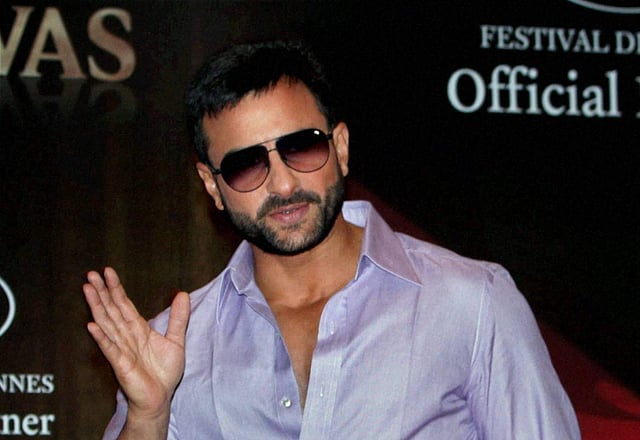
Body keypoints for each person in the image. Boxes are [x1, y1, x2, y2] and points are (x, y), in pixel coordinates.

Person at [83, 39, 581, 439]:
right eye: (246, 165)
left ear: (340, 147)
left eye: (302, 147)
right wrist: (148, 417)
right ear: (212, 186)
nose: (283, 184)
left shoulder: (471, 304)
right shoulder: (175, 347)